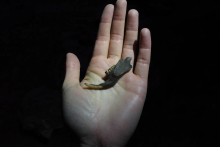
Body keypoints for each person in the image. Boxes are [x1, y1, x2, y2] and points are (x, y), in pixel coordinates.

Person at [62, 0, 151, 146]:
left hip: (114, 76)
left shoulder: (126, 66)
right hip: (112, 77)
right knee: (108, 79)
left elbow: (119, 71)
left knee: (110, 78)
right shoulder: (125, 65)